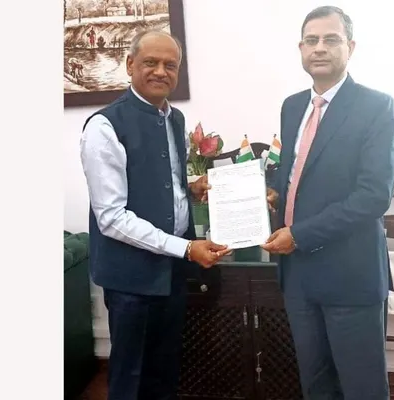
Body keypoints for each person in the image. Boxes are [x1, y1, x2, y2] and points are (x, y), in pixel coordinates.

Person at [79, 30, 230, 400]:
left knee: (165, 371)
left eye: (170, 65)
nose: (161, 71)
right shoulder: (104, 126)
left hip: (171, 273)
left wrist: (190, 187)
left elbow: (163, 176)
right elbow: (112, 217)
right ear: (130, 65)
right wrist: (186, 248)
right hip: (130, 278)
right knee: (130, 377)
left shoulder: (174, 118)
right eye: (151, 62)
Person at [260, 6, 394, 400]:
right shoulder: (292, 106)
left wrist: (299, 235)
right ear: (301, 49)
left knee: (362, 388)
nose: (319, 48)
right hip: (298, 276)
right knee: (316, 385)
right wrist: (273, 194)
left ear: (350, 47)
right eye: (311, 40)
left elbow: (373, 196)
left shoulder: (377, 107)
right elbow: (296, 174)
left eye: (330, 39)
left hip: (349, 274)